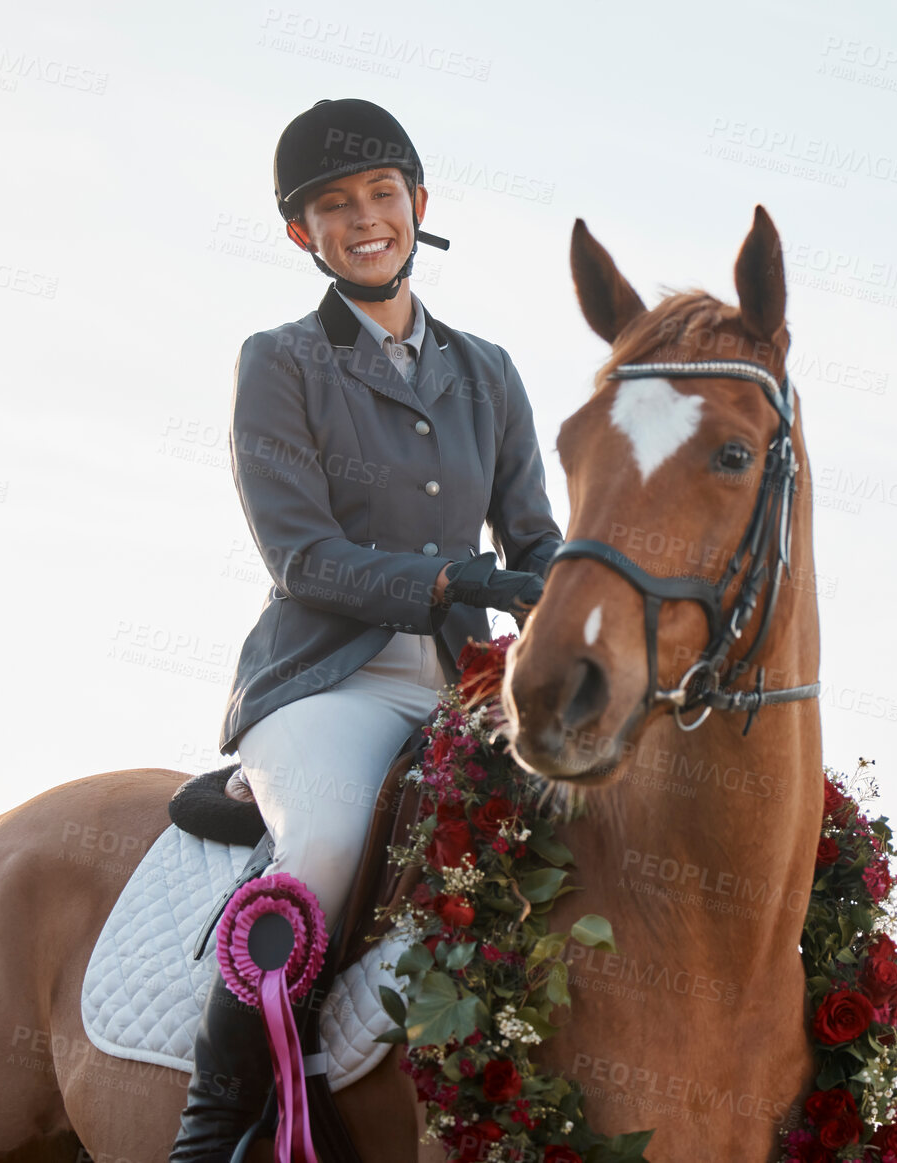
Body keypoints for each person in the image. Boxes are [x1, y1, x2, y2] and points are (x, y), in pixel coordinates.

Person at [170, 97, 564, 1160]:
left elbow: (535, 542)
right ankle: (215, 1129)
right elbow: (302, 555)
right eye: (334, 206)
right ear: (305, 234)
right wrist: (447, 582)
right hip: (324, 682)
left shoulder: (489, 369)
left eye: (382, 194)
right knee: (330, 836)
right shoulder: (281, 360)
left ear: (418, 204)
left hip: (466, 687)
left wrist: (583, 598)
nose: (364, 217)